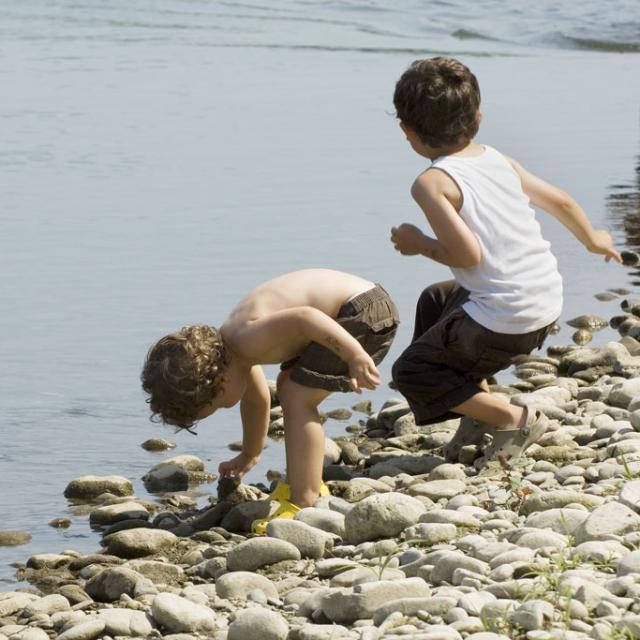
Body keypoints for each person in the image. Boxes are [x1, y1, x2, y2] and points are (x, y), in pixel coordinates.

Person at [389, 56, 621, 465]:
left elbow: (465, 254)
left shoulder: (431, 183)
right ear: (477, 117)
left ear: (407, 131)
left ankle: (514, 418)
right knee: (434, 300)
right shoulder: (496, 158)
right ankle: (475, 410)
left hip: (506, 321)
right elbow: (561, 201)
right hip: (544, 303)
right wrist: (593, 239)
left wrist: (417, 242)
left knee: (411, 371)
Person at [141, 269, 399, 532]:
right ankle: (303, 481)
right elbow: (256, 402)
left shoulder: (247, 339)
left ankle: (304, 499)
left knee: (297, 395)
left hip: (363, 311)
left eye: (217, 406)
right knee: (289, 386)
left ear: (222, 383)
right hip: (350, 311)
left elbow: (304, 317)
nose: (222, 408)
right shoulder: (235, 355)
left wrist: (354, 354)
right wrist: (249, 454)